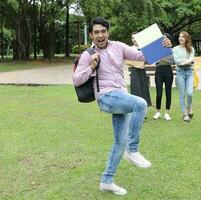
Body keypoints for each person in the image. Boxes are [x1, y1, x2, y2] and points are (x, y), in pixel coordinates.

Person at [73, 17, 172, 195]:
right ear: (91, 35)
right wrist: (92, 67)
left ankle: (106, 181)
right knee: (141, 104)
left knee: (119, 143)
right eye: (96, 32)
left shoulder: (118, 46)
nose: (100, 35)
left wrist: (163, 46)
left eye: (103, 31)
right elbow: (77, 79)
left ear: (108, 32)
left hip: (121, 96)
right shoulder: (88, 54)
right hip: (106, 97)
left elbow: (143, 57)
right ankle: (133, 149)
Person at [173, 31, 195, 122]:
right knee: (182, 94)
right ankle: (185, 114)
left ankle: (189, 107)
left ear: (186, 39)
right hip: (180, 73)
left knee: (189, 93)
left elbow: (192, 59)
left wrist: (185, 61)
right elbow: (177, 61)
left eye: (183, 37)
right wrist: (187, 60)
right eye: (179, 36)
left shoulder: (191, 49)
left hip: (189, 72)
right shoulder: (175, 49)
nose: (180, 38)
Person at [152, 33, 174, 121]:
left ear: (169, 40)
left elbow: (172, 61)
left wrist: (161, 58)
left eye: (165, 39)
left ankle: (167, 113)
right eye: (162, 39)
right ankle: (158, 112)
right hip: (159, 71)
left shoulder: (171, 49)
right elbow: (154, 61)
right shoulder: (157, 49)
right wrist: (163, 59)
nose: (163, 40)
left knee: (168, 93)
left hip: (168, 71)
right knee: (159, 93)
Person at [127, 32, 152, 107]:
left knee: (144, 90)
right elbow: (127, 61)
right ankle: (136, 108)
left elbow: (149, 60)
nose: (134, 39)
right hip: (134, 71)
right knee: (136, 90)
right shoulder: (130, 49)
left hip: (142, 71)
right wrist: (138, 65)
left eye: (135, 38)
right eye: (132, 38)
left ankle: (143, 111)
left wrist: (144, 63)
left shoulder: (144, 48)